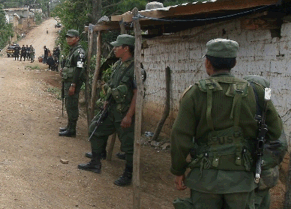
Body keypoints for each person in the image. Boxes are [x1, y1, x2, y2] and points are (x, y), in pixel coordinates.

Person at [170, 38, 282, 209]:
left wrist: (178, 171)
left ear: (207, 62)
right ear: (234, 63)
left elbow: (180, 136)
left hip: (204, 178)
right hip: (242, 179)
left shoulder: (194, 93)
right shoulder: (257, 91)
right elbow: (275, 133)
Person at [78, 34, 137, 187]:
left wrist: (129, 115)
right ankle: (95, 162)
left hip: (124, 113)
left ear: (126, 48)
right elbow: (110, 84)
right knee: (95, 129)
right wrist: (105, 102)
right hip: (110, 110)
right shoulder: (118, 65)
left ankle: (128, 174)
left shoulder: (136, 69)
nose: (114, 49)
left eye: (118, 46)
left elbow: (138, 94)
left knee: (128, 146)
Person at [243, 75, 287, 209]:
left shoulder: (268, 115)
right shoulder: (246, 112)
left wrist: (258, 162)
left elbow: (280, 145)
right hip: (256, 178)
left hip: (261, 177)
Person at [59, 29, 86, 137]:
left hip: (72, 83)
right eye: (67, 37)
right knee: (68, 104)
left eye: (71, 37)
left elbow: (79, 69)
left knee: (72, 105)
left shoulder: (79, 52)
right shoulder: (73, 50)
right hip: (68, 82)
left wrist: (73, 85)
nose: (68, 39)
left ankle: (72, 130)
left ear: (77, 38)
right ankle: (69, 127)